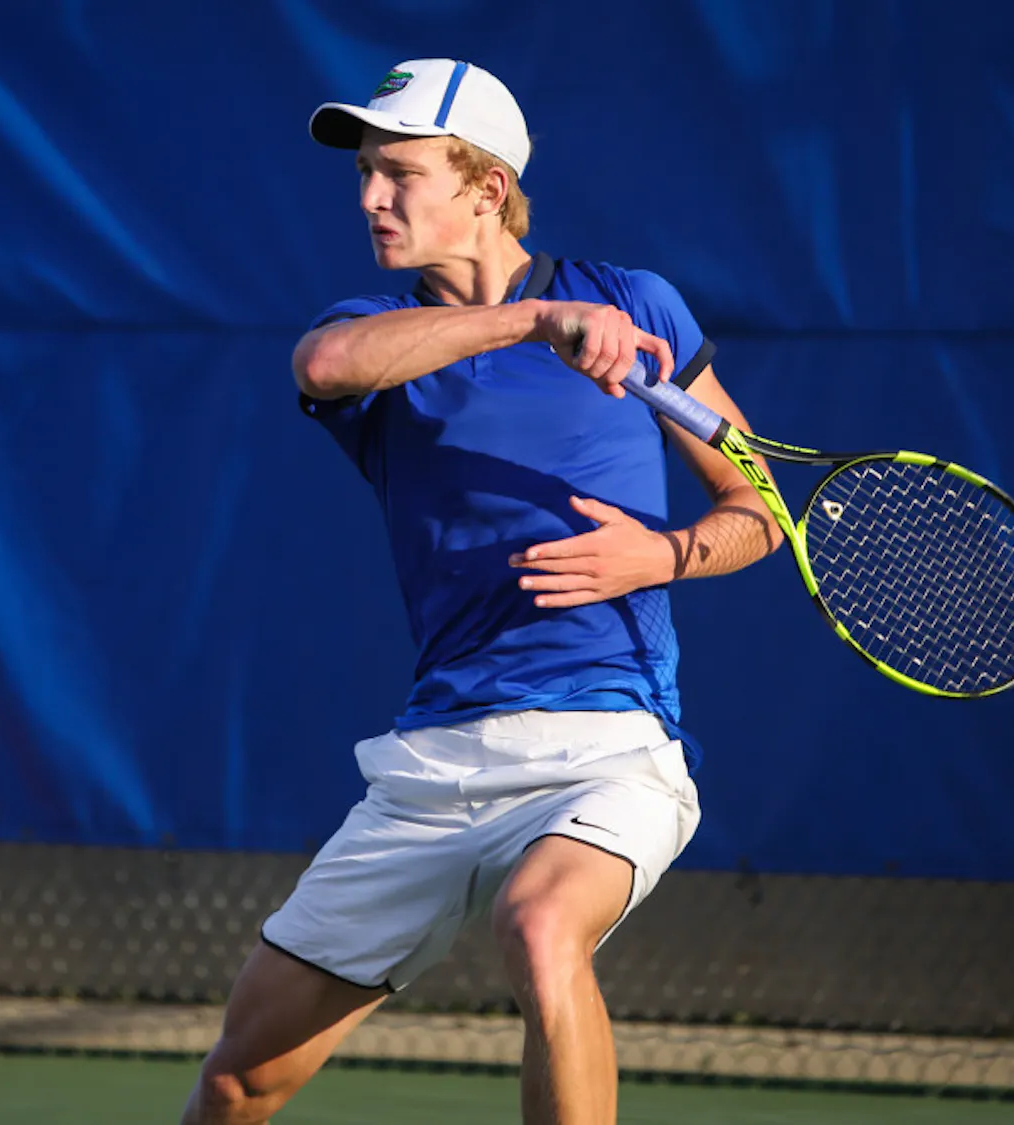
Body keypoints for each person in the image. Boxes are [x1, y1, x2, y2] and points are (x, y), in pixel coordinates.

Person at [182, 58, 780, 1125]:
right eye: (366, 173)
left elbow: (760, 504)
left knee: (543, 928)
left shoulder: (638, 306)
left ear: (486, 189)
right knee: (239, 1079)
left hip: (608, 749)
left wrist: (665, 557)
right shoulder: (380, 333)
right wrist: (532, 322)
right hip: (433, 765)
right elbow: (325, 366)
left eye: (399, 174)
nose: (371, 198)